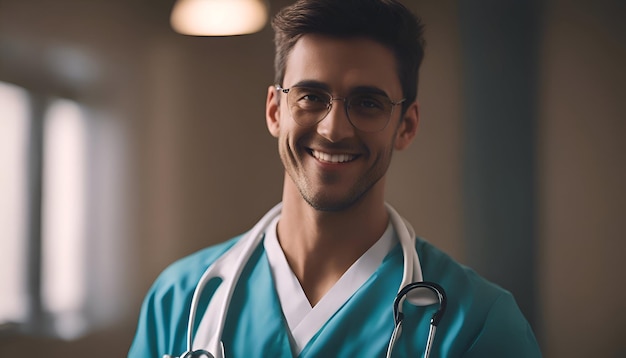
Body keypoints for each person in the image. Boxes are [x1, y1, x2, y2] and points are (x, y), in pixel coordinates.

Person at [129, 0, 542, 357]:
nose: (333, 129)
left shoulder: (478, 324)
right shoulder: (181, 301)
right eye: (310, 96)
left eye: (367, 103)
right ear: (276, 110)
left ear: (407, 125)